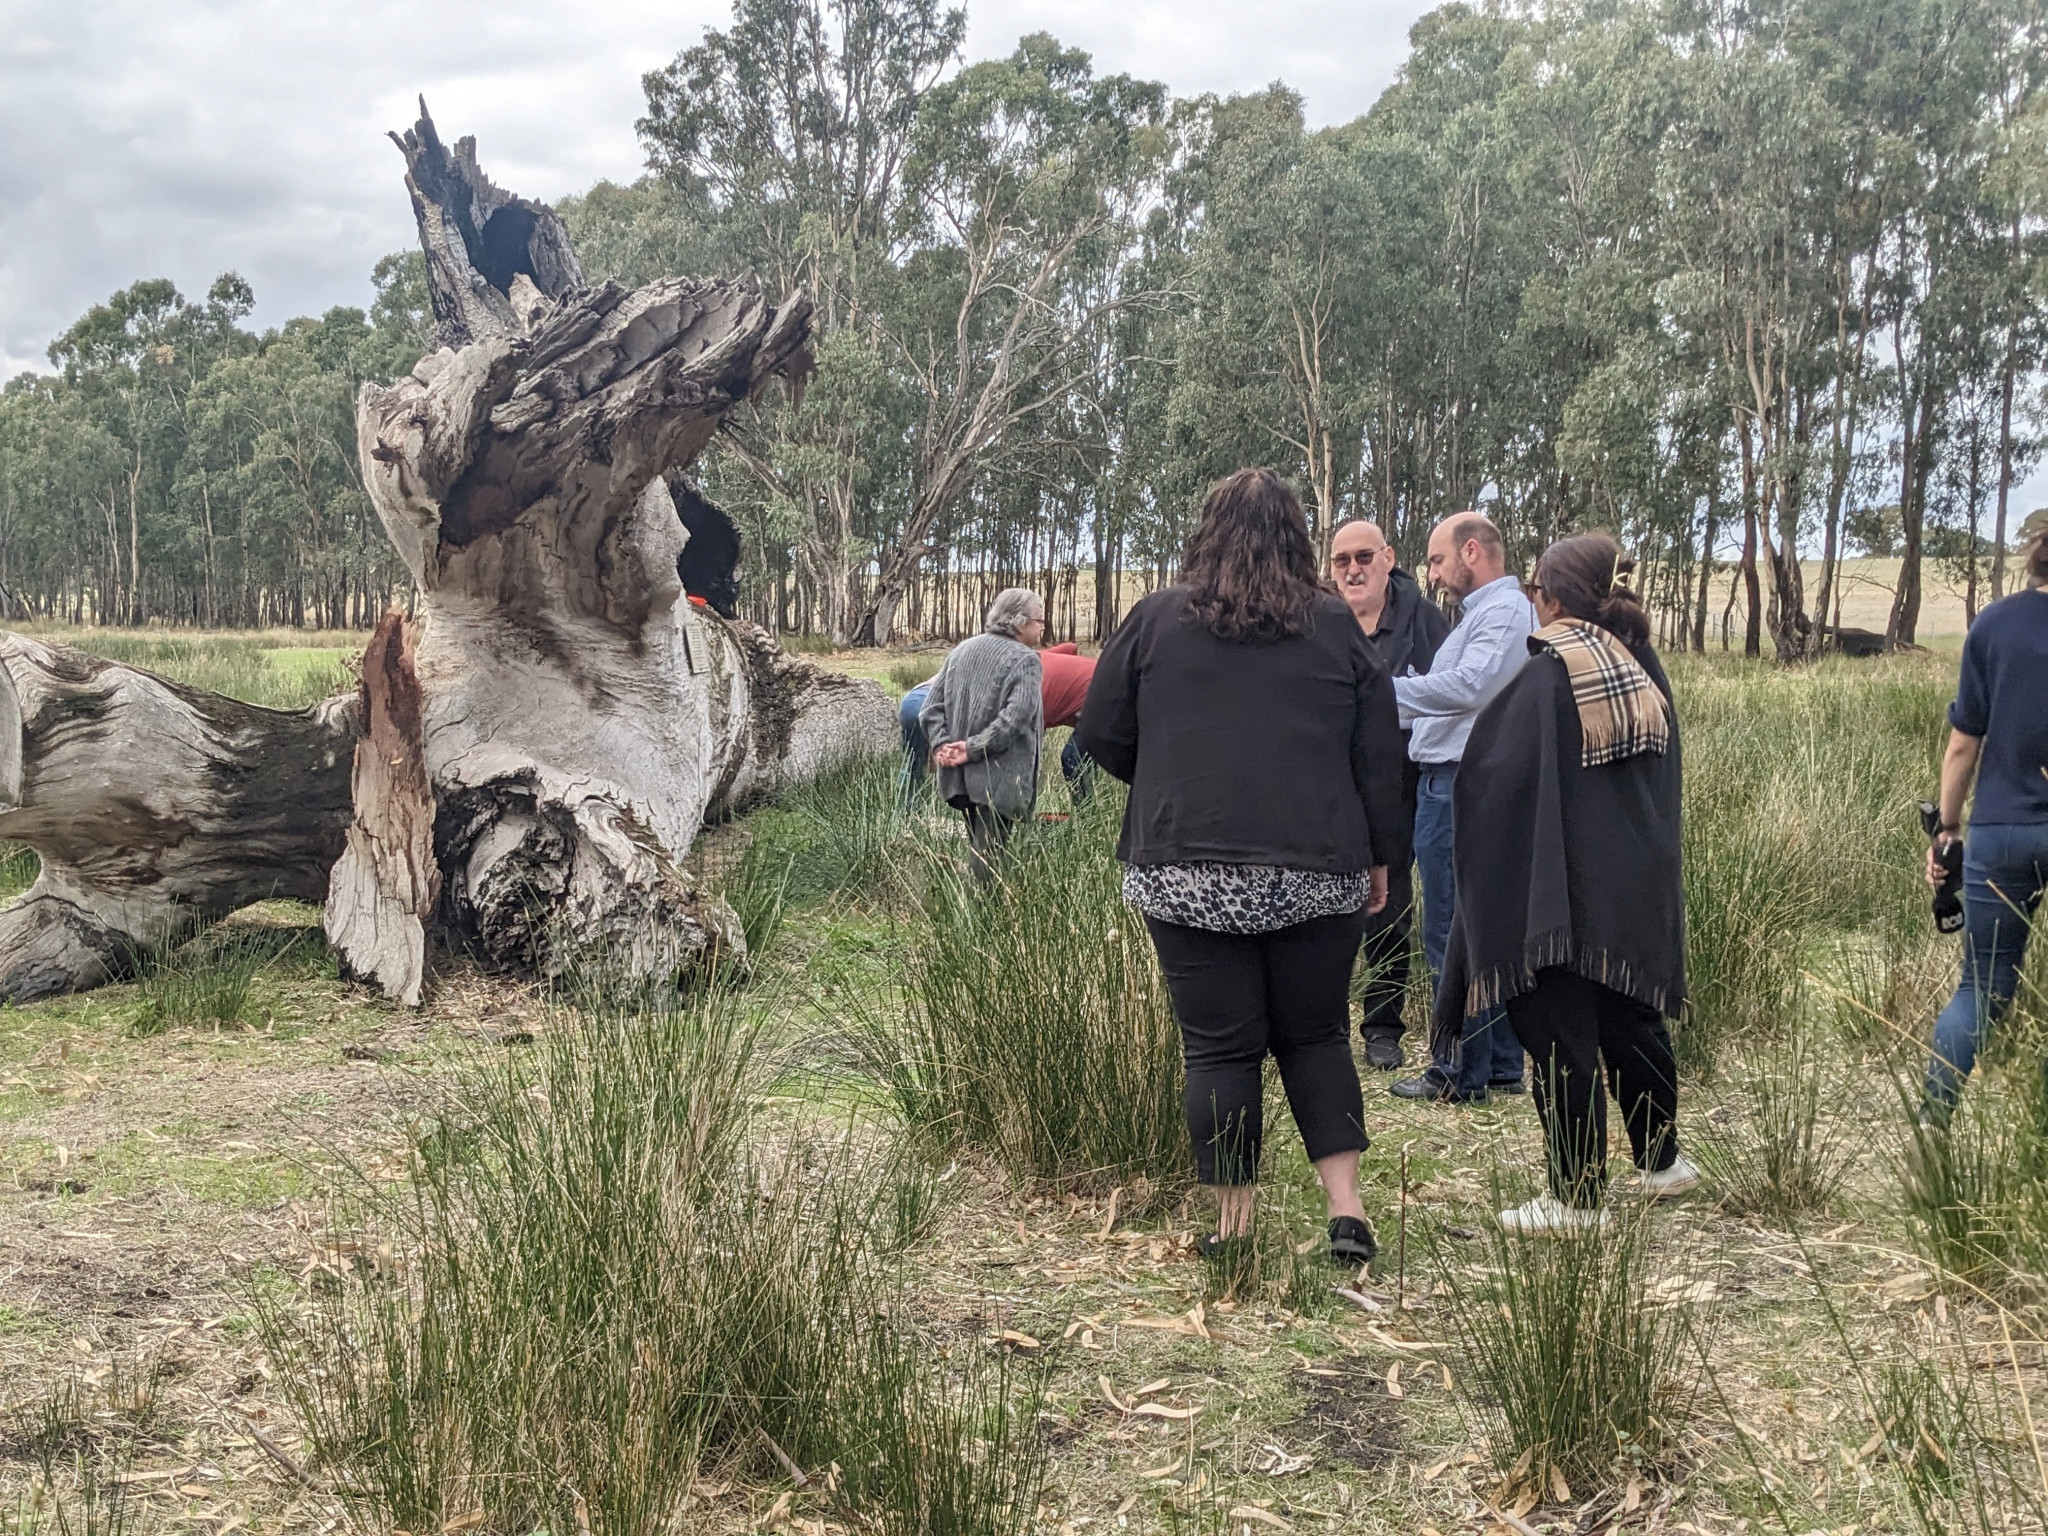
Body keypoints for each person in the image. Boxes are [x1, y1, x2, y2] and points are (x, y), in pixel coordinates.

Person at [1077, 469, 1407, 1267]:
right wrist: (1381, 857)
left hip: (1184, 866)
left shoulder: (1156, 619)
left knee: (1218, 1051)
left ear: (1206, 533)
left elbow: (1099, 729)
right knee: (1318, 1036)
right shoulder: (1336, 629)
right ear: (1297, 539)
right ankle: (1347, 1214)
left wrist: (1169, 784)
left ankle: (1233, 1229)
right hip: (1318, 868)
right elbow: (1380, 756)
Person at [1433, 533, 1696, 1233]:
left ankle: (1577, 1197)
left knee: (1558, 1032)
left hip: (1555, 890)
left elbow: (1492, 780)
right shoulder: (1638, 666)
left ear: (1546, 597)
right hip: (1634, 883)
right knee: (1631, 1017)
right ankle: (1661, 1162)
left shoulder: (1550, 674)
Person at [1389, 513, 1536, 1104]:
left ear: (1471, 551)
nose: (1434, 574)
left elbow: (1470, 687)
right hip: (1451, 784)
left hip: (1457, 785)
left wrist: (1385, 690)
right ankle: (1497, 1061)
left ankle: (1457, 1068)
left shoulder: (1502, 613)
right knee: (1475, 927)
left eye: (1437, 560)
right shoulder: (1484, 616)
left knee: (1450, 930)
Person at [1922, 508, 2048, 1118]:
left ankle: (1931, 1127)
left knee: (1979, 989)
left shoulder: (1994, 625)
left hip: (2001, 832)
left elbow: (1962, 744)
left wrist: (1947, 829)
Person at [1330, 519, 1451, 1070]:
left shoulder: (1424, 622)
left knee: (1389, 909)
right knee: (1326, 915)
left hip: (1401, 787)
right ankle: (1323, 1025)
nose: (1353, 569)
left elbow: (1452, 697)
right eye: (1341, 561)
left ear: (1387, 558)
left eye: (1363, 557)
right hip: (1326, 791)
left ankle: (1383, 1026)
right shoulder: (1319, 621)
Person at [920, 589, 1046, 875]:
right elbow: (1014, 720)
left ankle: (974, 910)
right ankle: (981, 918)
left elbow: (929, 708)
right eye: (1039, 621)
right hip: (998, 780)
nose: (1042, 628)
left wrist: (944, 747)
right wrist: (971, 748)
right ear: (1020, 622)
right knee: (987, 866)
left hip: (960, 777)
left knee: (981, 850)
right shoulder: (1026, 660)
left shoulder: (962, 649)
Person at [900, 640, 1093, 810]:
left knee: (912, 771)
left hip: (914, 698)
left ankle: (905, 820)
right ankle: (1087, 817)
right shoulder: (1024, 696)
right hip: (944, 708)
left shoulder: (1022, 662)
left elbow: (1069, 648)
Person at [1039, 641, 1099, 804]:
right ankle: (1094, 803)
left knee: (1072, 759)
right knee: (1083, 757)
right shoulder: (1032, 656)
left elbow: (1029, 752)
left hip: (1102, 698)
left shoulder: (1027, 696)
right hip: (1105, 678)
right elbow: (1070, 647)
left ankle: (1086, 816)